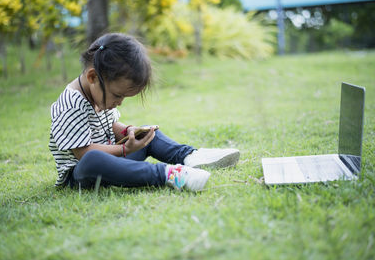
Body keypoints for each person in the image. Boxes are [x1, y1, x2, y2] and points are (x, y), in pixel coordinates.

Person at [49, 33, 240, 192]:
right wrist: (124, 149)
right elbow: (83, 152)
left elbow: (111, 125)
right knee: (93, 159)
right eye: (117, 95)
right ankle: (169, 174)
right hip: (82, 175)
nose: (120, 103)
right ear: (92, 77)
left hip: (114, 158)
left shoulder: (98, 95)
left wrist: (128, 132)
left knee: (149, 134)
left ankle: (191, 157)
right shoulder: (71, 104)